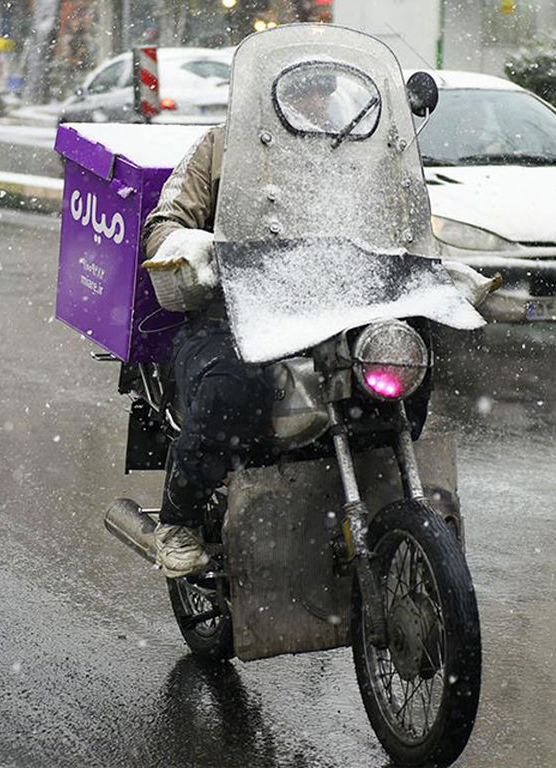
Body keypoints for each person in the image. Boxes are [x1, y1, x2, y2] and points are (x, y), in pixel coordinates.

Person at [142, 67, 496, 578]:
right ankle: (179, 520)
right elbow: (165, 220)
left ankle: (388, 491)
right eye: (300, 88)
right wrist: (189, 248)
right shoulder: (220, 148)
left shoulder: (361, 153)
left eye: (322, 88)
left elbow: (401, 223)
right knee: (232, 389)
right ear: (268, 93)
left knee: (404, 352)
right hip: (237, 313)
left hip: (337, 309)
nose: (314, 98)